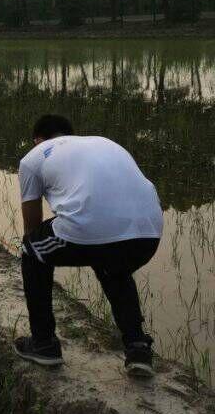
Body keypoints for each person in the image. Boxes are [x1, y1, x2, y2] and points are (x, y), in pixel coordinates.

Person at [15, 114, 162, 377]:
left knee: (31, 249)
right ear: (70, 134)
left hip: (92, 227)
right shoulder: (103, 142)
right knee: (111, 264)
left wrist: (34, 245)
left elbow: (32, 228)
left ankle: (43, 343)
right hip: (149, 232)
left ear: (37, 140)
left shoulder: (33, 158)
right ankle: (138, 347)